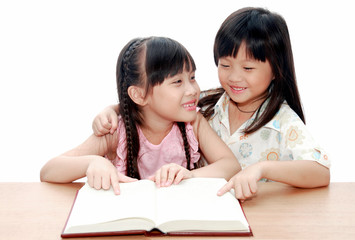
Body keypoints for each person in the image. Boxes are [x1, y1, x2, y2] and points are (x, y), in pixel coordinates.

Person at [91, 7, 330, 201]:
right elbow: (157, 102)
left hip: (260, 215)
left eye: (248, 68)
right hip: (205, 208)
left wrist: (262, 169)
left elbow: (320, 172)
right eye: (225, 65)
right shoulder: (208, 103)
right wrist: (111, 110)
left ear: (277, 69)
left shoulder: (282, 120)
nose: (234, 77)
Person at [40, 37, 240, 195]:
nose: (192, 90)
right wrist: (92, 162)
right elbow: (48, 171)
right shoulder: (116, 132)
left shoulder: (193, 123)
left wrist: (190, 175)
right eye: (178, 81)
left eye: (192, 77)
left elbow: (230, 165)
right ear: (139, 95)